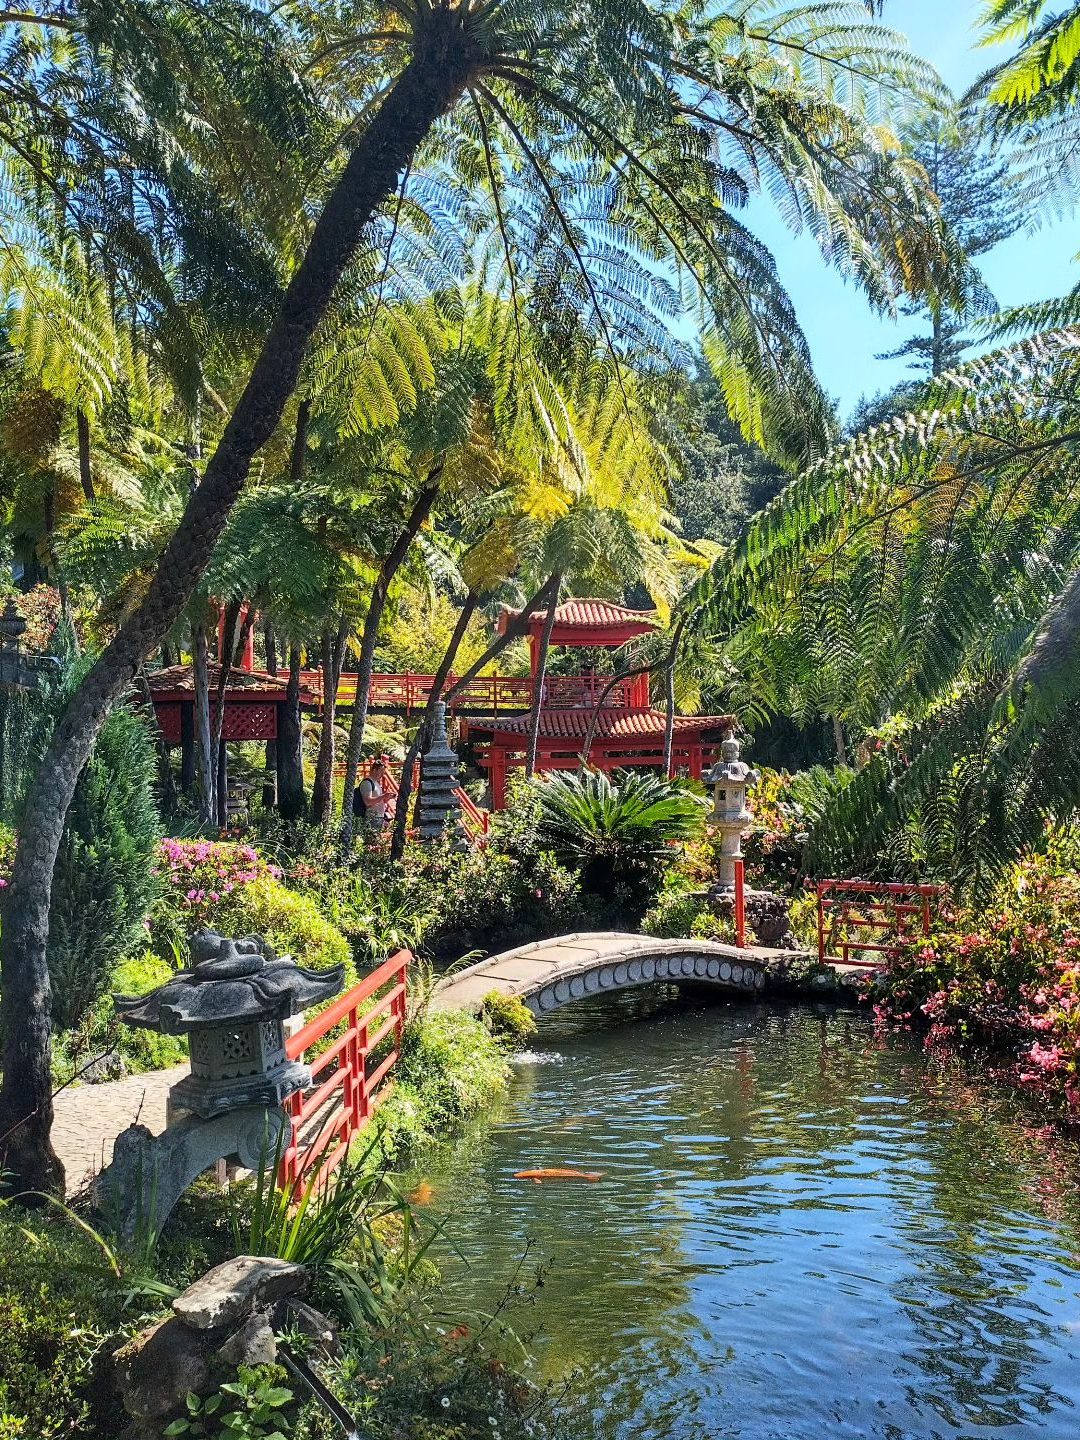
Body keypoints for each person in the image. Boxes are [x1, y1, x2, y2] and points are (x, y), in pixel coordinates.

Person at [353, 758, 391, 835]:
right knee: (371, 843)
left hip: (379, 818)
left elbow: (378, 800)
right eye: (381, 771)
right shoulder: (367, 783)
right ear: (374, 770)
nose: (382, 774)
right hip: (371, 818)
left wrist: (386, 799)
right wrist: (383, 796)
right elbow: (367, 801)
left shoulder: (376, 783)